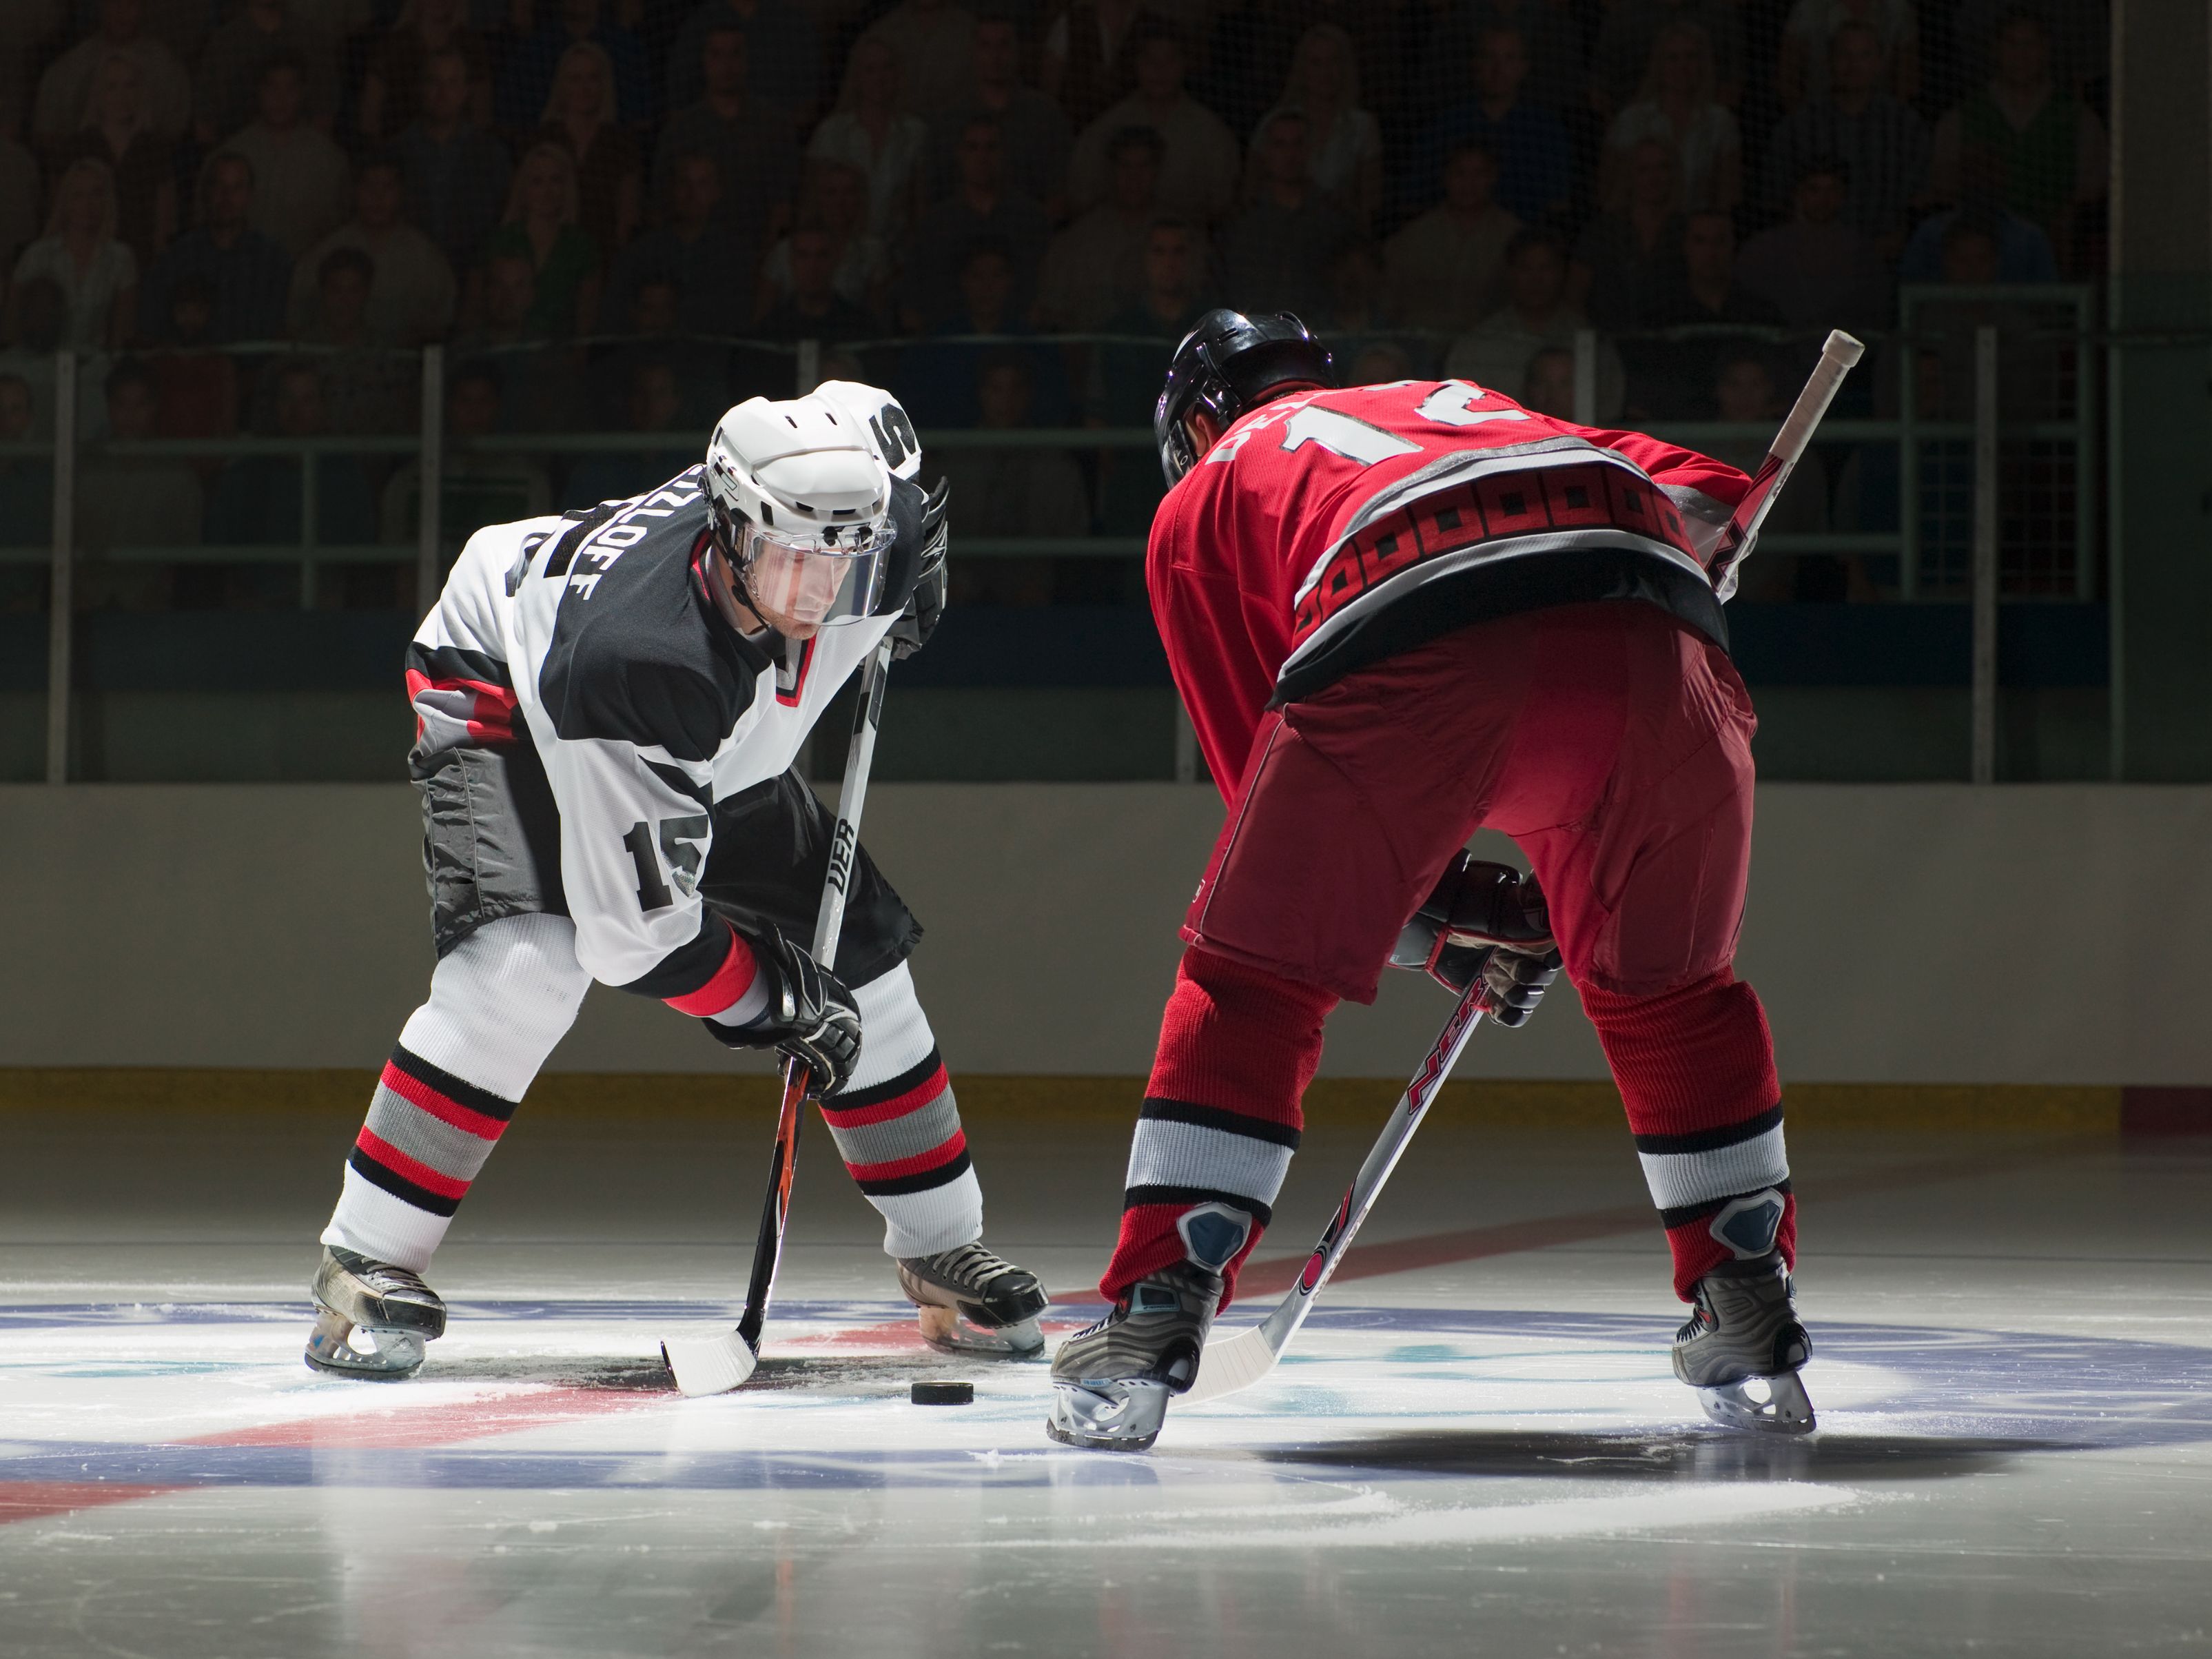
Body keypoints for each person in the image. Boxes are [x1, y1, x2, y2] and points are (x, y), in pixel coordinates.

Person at [1045, 310, 1814, 1450]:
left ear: (1198, 421)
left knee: (1256, 976)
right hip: (1661, 633)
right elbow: (1708, 491)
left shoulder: (1208, 489)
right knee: (1672, 992)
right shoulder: (1454, 400)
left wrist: (1430, 920)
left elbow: (1266, 790)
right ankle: (1744, 1296)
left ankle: (1159, 1305)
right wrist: (1713, 537)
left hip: (1416, 624)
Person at [309, 380, 1052, 1381]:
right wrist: (767, 998)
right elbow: (635, 938)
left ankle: (939, 1241)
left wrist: (913, 566)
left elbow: (870, 419)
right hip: (509, 676)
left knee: (858, 962)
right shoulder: (641, 661)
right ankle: (367, 1254)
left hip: (704, 729)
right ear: (730, 528)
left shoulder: (869, 520)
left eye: (844, 555)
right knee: (527, 963)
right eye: (791, 554)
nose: (815, 589)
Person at [1763, 21, 1930, 256]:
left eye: (1864, 55)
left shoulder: (1907, 126)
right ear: (1828, 61)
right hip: (1812, 256)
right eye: (1844, 55)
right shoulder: (1798, 126)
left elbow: (1921, 200)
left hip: (1890, 258)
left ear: (1880, 63)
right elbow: (1777, 198)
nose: (1853, 65)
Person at [1066, 23, 1240, 228]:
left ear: (1185, 64)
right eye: (1150, 61)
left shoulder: (1212, 133)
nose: (1159, 70)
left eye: (1170, 60)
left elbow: (1224, 205)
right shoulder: (1106, 127)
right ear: (1136, 65)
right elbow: (1080, 196)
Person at [1446, 227, 1624, 422]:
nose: (1536, 280)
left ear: (1563, 272)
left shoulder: (1591, 343)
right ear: (1510, 273)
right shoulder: (1477, 345)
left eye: (1546, 268)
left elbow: (1609, 409)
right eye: (1525, 268)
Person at [652, 23, 798, 253]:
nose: (726, 65)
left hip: (758, 253)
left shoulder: (774, 125)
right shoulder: (681, 130)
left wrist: (769, 262)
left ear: (747, 60)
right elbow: (663, 204)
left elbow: (784, 204)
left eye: (735, 54)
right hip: (694, 257)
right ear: (704, 60)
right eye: (717, 54)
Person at [898, 116, 1051, 332]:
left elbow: (1044, 291)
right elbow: (913, 302)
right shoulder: (937, 223)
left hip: (1016, 342)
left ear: (1004, 154)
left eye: (991, 148)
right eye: (973, 148)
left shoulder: (1030, 218)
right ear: (959, 155)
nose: (982, 157)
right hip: (951, 343)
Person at [290, 153, 458, 347]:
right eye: (369, 187)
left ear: (402, 192)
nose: (377, 197)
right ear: (355, 190)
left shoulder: (426, 258)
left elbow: (441, 324)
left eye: (387, 187)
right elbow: (298, 319)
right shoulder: (324, 252)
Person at [1418, 26, 1571, 226]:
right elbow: (1419, 195)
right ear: (1475, 64)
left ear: (1524, 67)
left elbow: (1559, 204)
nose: (1498, 69)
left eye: (1509, 58)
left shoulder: (1546, 129)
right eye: (1489, 57)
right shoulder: (1447, 125)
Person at [923, 14, 1072, 215]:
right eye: (986, 46)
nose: (996, 56)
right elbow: (933, 195)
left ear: (1018, 50)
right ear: (973, 52)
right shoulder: (948, 120)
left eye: (1004, 45)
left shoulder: (1046, 115)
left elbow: (1061, 191)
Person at [1220, 110, 1354, 321]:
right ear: (1266, 152)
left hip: (1318, 332)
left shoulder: (1333, 217)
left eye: (1297, 144)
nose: (1289, 155)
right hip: (1258, 334)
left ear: (1310, 149)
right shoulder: (1243, 222)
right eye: (1280, 145)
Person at [1034, 125, 1169, 332]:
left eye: (1144, 166)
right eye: (1125, 166)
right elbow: (1050, 313)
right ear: (1111, 169)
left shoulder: (1182, 236)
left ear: (1157, 170)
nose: (1134, 178)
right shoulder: (1078, 239)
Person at [1601, 19, 1741, 215]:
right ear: (1659, 64)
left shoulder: (1721, 122)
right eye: (1673, 58)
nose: (1682, 66)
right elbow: (1612, 193)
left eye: (1691, 57)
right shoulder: (1631, 121)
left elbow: (1727, 198)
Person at [50, 52, 176, 271]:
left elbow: (164, 219)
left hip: (141, 263)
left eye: (130, 86)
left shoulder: (155, 148)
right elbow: (59, 211)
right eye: (112, 87)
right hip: (85, 263)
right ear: (98, 93)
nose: (122, 96)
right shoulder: (77, 147)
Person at [1249, 23, 1383, 227]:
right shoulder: (1275, 122)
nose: (1325, 72)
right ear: (1303, 69)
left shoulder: (1363, 127)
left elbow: (1370, 203)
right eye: (1316, 63)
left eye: (1333, 62)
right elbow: (1251, 191)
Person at [216, 58, 351, 259]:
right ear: (259, 91)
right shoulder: (231, 153)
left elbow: (342, 229)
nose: (281, 99)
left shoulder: (329, 159)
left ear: (303, 93)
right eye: (272, 88)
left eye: (291, 89)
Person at [1737, 158, 1890, 334]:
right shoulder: (1763, 249)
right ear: (1798, 194)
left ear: (1843, 196)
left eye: (1832, 190)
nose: (1823, 199)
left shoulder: (1862, 253)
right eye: (1814, 189)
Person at [396, 45, 512, 275]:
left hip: (474, 274)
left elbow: (504, 220)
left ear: (465, 91)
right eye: (434, 82)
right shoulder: (396, 152)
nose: (442, 93)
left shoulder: (491, 154)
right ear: (420, 88)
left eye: (452, 83)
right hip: (408, 273)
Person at [1383, 142, 1519, 334]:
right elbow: (1389, 301)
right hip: (1421, 343)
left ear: (1493, 177)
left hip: (1489, 345)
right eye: (1460, 173)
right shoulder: (1413, 237)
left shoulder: (1513, 236)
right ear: (1445, 177)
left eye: (1479, 174)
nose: (1469, 183)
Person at [807, 37, 929, 247]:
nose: (879, 78)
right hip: (839, 254)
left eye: (886, 68)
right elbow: (811, 205)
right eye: (870, 69)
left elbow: (921, 207)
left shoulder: (916, 133)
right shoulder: (831, 133)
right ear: (856, 76)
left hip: (898, 254)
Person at [10, 157, 137, 353]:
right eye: (78, 195)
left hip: (95, 368)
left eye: (96, 194)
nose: (87, 204)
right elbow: (11, 325)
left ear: (107, 200)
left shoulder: (120, 258)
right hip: (39, 365)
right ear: (66, 202)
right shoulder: (37, 256)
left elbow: (122, 335)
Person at [478, 140, 599, 339]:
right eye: (537, 181)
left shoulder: (582, 247)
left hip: (560, 357)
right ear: (524, 188)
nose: (547, 191)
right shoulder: (501, 240)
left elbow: (587, 322)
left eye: (555, 180)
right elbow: (479, 309)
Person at [535, 42, 639, 261]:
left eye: (592, 79)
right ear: (562, 86)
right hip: (551, 254)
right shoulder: (544, 137)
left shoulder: (620, 141)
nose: (584, 88)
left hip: (605, 252)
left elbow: (628, 211)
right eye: (575, 79)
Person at [33, 0, 193, 143]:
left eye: (130, 3)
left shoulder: (167, 69)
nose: (121, 11)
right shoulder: (68, 69)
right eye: (113, 2)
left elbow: (174, 136)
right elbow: (48, 135)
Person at [194, 0, 340, 143]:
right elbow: (205, 123)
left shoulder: (312, 39)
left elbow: (324, 115)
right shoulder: (223, 44)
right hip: (238, 157)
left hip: (302, 157)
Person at [357, 0, 493, 141]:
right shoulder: (391, 46)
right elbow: (370, 117)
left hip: (460, 153)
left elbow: (482, 116)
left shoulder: (471, 46)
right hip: (398, 153)